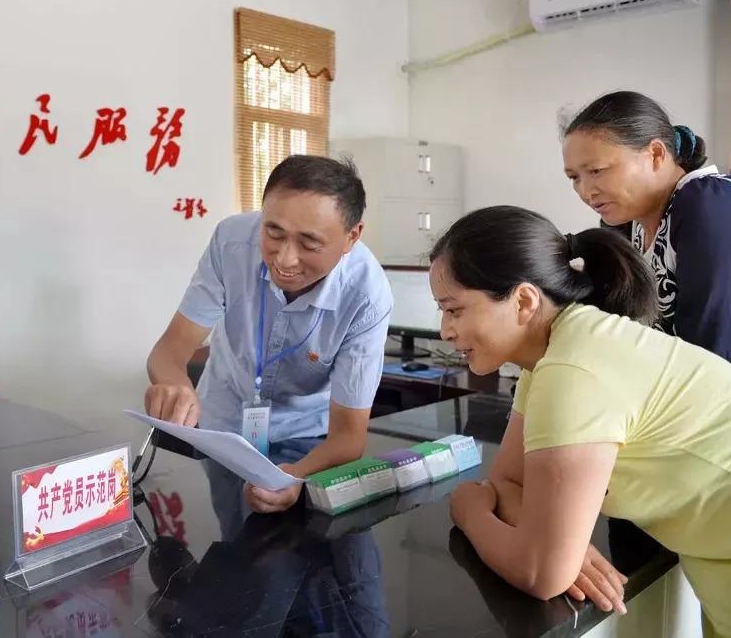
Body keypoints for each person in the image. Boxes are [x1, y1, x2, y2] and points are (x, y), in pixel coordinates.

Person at [430, 206, 731, 637]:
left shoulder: (574, 369)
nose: (444, 330)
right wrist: (557, 542)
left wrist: (468, 509)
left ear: (524, 300)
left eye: (454, 310)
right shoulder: (555, 354)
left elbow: (541, 573)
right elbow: (508, 484)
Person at [143, 155, 391, 519]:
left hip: (308, 440)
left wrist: (295, 476)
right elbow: (169, 350)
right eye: (273, 232)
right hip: (223, 427)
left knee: (292, 555)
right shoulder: (231, 243)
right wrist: (174, 384)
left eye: (309, 243)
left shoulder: (366, 295)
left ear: (352, 236)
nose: (285, 259)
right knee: (225, 545)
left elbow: (348, 437)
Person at [563, 90, 731, 360]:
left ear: (655, 154)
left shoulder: (709, 207)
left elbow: (713, 357)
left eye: (596, 171)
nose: (586, 191)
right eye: (574, 177)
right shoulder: (627, 223)